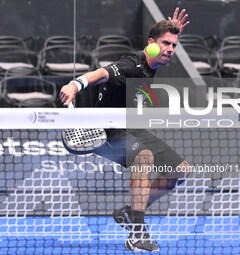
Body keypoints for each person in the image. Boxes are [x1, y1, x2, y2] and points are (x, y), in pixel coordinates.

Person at [60, 8, 191, 252]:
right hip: (106, 130)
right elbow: (102, 73)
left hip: (131, 127)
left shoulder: (152, 64)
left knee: (180, 170)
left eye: (174, 44)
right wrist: (76, 84)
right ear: (151, 43)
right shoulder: (131, 65)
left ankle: (130, 212)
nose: (171, 49)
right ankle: (137, 233)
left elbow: (164, 40)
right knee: (145, 157)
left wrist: (170, 29)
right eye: (165, 43)